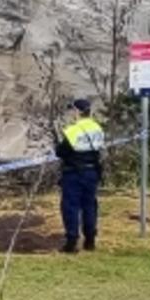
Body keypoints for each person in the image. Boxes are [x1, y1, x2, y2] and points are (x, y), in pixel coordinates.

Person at [55, 98, 104, 254]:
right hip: (92, 172)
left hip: (74, 173)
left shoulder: (73, 130)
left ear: (77, 112)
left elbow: (61, 152)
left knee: (71, 206)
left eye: (72, 110)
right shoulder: (97, 128)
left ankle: (72, 241)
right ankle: (90, 240)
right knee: (90, 205)